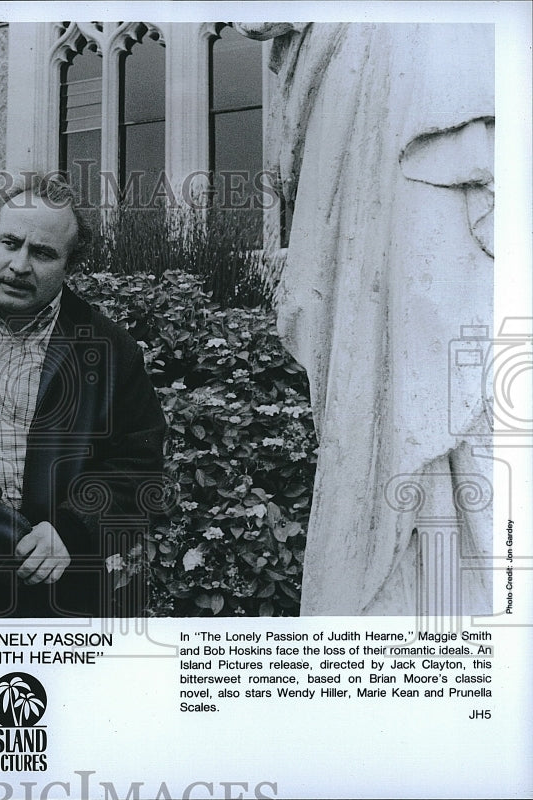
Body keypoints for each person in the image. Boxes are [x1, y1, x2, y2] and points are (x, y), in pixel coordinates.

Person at [235, 23, 495, 615]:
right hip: (366, 86)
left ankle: (458, 587)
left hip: (445, 70)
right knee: (375, 354)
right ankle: (394, 582)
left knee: (451, 319)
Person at [0, 174, 166, 618]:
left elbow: (139, 468)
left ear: (70, 266)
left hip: (57, 599)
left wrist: (73, 529)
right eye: (9, 242)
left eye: (42, 253)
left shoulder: (110, 350)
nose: (19, 265)